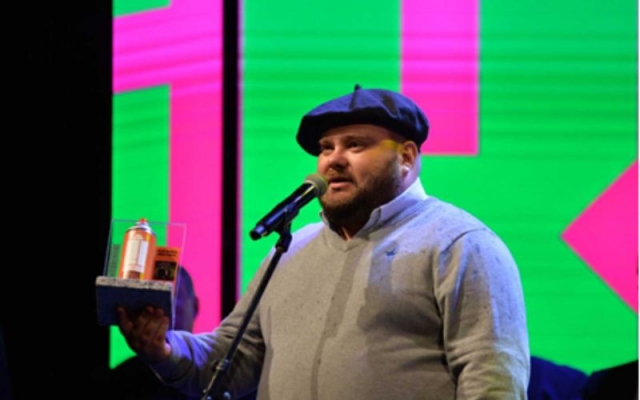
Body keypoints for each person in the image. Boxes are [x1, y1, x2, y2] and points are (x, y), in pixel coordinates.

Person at [117, 85, 531, 399]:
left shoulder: (460, 244)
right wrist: (162, 348)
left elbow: (492, 382)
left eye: (355, 145)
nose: (333, 159)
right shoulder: (291, 249)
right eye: (325, 148)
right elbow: (232, 360)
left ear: (406, 157)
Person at [94, 266, 203, 400]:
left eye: (172, 297)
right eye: (156, 301)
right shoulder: (119, 381)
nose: (162, 312)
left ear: (195, 307)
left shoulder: (214, 374)